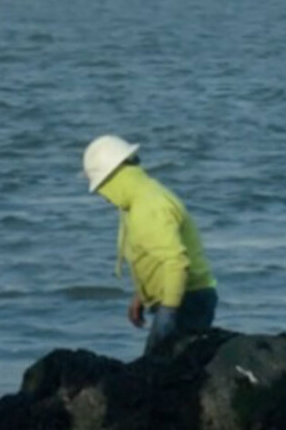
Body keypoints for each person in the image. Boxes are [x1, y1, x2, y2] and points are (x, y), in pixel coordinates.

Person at [82, 135, 218, 358]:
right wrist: (141, 297)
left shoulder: (149, 206)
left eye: (100, 189)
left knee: (160, 370)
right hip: (180, 296)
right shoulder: (139, 200)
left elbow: (176, 263)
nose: (102, 197)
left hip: (188, 299)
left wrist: (168, 311)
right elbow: (149, 256)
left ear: (114, 179)